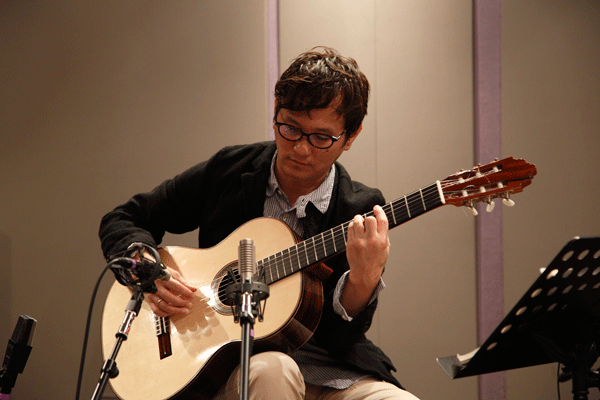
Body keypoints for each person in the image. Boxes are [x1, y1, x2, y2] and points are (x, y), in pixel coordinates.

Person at [99, 46, 419, 400]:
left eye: (321, 137)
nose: (300, 149)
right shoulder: (230, 171)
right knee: (274, 370)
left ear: (351, 136)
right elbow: (125, 217)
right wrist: (146, 271)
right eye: (290, 128)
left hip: (330, 371)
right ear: (275, 111)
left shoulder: (360, 210)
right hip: (232, 368)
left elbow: (340, 340)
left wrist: (363, 281)